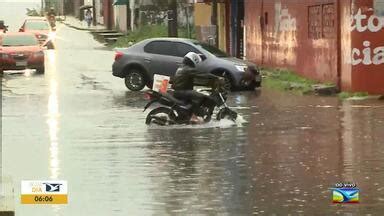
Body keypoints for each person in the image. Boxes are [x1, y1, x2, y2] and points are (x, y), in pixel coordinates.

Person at [172, 52, 224, 121]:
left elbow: (190, 80)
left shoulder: (182, 68)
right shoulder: (188, 69)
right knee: (201, 97)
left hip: (179, 92)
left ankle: (193, 115)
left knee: (198, 95)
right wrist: (217, 77)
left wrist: (207, 84)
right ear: (193, 60)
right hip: (182, 92)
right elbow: (202, 74)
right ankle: (200, 114)